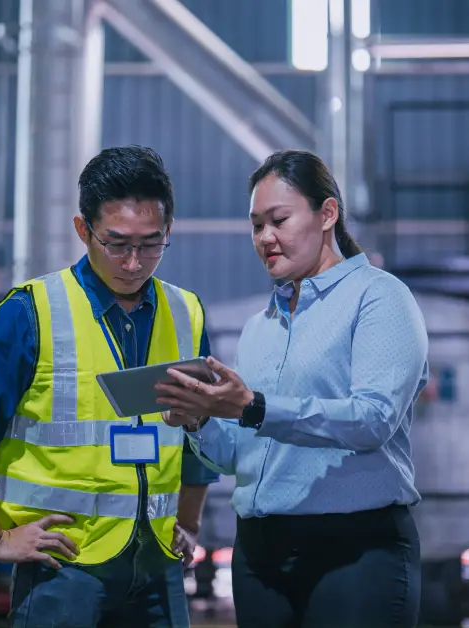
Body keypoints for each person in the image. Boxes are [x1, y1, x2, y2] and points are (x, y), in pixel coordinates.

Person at [0, 145, 220, 628]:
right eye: (117, 243)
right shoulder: (31, 313)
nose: (133, 262)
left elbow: (195, 436)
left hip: (158, 566)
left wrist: (187, 521)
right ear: (83, 230)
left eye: (151, 244)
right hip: (63, 568)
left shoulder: (186, 312)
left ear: (169, 230)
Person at [154, 149, 430, 627]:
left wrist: (254, 407)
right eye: (256, 225)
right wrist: (198, 419)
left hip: (354, 554)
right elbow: (239, 455)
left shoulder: (379, 298)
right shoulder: (258, 327)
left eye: (278, 220)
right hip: (260, 556)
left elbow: (373, 421)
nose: (265, 238)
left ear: (327, 214)